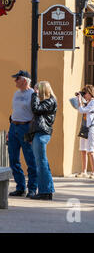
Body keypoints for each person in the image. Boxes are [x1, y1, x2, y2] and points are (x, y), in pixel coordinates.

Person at [7, 70, 37, 198]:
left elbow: (36, 114)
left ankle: (32, 188)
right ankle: (20, 187)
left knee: (30, 159)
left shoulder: (32, 94)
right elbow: (15, 111)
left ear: (24, 80)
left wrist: (32, 132)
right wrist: (10, 129)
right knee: (13, 159)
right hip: (14, 126)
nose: (15, 81)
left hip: (26, 127)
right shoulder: (16, 93)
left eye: (17, 78)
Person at [29, 81, 57, 200]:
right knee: (42, 162)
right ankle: (47, 190)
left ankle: (45, 191)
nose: (34, 91)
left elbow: (35, 109)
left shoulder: (49, 101)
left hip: (42, 134)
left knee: (41, 163)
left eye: (36, 89)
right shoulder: (47, 101)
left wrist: (34, 96)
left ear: (41, 90)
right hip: (39, 133)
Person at [75, 85, 94, 178]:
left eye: (85, 93)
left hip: (91, 129)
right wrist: (79, 98)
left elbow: (82, 110)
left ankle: (93, 172)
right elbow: (79, 108)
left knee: (90, 151)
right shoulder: (87, 102)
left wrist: (80, 102)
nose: (84, 95)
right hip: (84, 128)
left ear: (90, 93)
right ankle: (84, 171)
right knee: (83, 151)